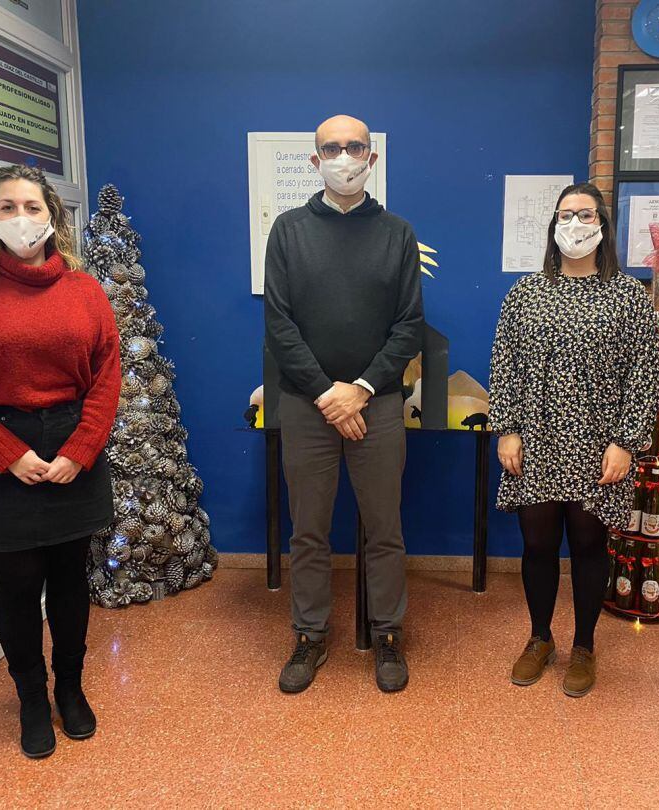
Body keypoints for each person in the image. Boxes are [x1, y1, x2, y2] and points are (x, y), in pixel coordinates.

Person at [0, 164, 120, 759]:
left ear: (53, 218)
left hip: (71, 444)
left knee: (69, 579)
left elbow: (108, 376)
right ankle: (31, 699)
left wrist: (80, 451)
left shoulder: (85, 291)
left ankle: (70, 688)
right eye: (8, 207)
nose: (21, 219)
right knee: (15, 587)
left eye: (32, 207)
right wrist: (9, 454)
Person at [264, 115, 423, 694]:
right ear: (314, 160)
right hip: (307, 404)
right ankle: (309, 634)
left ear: (372, 157)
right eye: (331, 148)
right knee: (309, 529)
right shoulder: (287, 230)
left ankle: (387, 634)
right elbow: (279, 325)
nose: (344, 155)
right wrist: (328, 392)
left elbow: (408, 326)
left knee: (384, 527)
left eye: (355, 146)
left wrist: (360, 388)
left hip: (376, 403)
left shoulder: (397, 233)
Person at [489, 182, 659, 698]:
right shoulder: (526, 293)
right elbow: (505, 364)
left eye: (585, 214)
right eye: (566, 214)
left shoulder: (628, 295)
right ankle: (540, 637)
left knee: (589, 543)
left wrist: (627, 441)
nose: (575, 223)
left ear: (602, 224)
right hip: (536, 438)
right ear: (553, 224)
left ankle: (584, 645)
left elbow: (644, 374)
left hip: (600, 442)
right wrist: (508, 428)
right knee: (538, 543)